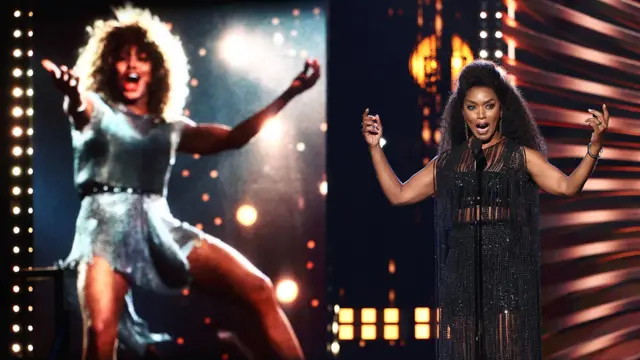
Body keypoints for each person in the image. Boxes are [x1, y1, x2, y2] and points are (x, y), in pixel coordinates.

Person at [41, 5, 320, 360]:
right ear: (108, 65)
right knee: (100, 334)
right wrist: (71, 93)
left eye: (141, 58)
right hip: (103, 227)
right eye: (122, 57)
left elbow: (233, 138)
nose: (131, 65)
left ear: (155, 69)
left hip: (160, 226)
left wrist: (289, 93)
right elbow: (79, 108)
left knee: (260, 288)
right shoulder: (96, 108)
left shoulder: (170, 128)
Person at [362, 60, 609, 359]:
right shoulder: (449, 162)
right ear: (462, 112)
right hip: (462, 279)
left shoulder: (520, 157)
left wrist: (594, 146)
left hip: (506, 278)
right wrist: (375, 148)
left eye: (488, 106)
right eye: (472, 107)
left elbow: (568, 187)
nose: (481, 115)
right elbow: (399, 194)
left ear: (501, 109)